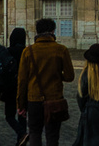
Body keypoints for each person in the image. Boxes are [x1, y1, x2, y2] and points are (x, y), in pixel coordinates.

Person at [16, 17, 74, 146]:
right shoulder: (61, 49)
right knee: (52, 136)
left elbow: (22, 81)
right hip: (54, 99)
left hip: (34, 99)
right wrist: (57, 75)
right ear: (53, 31)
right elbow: (70, 76)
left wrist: (20, 104)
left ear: (37, 32)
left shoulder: (28, 51)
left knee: (35, 132)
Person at [0, 27, 29, 146]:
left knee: (9, 116)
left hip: (10, 88)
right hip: (24, 88)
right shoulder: (28, 52)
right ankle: (20, 139)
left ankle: (22, 134)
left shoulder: (8, 51)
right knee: (22, 115)